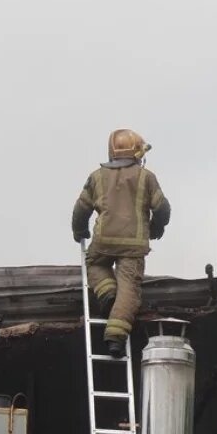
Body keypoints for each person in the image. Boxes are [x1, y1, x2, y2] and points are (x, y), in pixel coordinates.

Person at [71, 129, 171, 358]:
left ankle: (107, 294)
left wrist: (79, 230)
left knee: (95, 264)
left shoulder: (97, 176)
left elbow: (81, 208)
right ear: (137, 153)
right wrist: (157, 226)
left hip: (103, 242)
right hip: (133, 246)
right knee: (129, 290)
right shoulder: (146, 177)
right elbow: (162, 208)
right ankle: (116, 337)